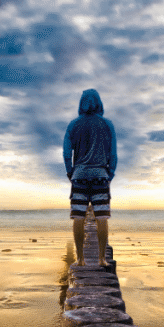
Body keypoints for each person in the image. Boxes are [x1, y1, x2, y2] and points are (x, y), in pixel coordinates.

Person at [63, 88, 117, 267]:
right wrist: (110, 173)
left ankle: (80, 259)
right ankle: (102, 259)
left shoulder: (73, 125)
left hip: (79, 176)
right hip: (101, 176)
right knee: (101, 217)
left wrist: (70, 172)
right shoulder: (107, 125)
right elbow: (113, 154)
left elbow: (66, 153)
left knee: (78, 216)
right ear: (99, 102)